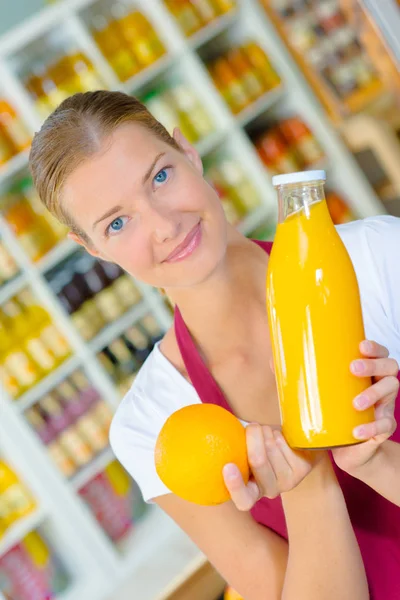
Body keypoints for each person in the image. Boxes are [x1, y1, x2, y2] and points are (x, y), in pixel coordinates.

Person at [29, 91, 400, 600]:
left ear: (189, 152)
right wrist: (308, 486)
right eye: (118, 223)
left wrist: (379, 462)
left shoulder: (380, 260)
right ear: (93, 249)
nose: (164, 225)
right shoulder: (152, 426)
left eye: (161, 176)